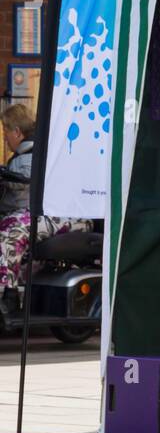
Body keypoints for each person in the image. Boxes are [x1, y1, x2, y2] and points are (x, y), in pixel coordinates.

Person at [0, 104, 92, 296]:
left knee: (9, 229)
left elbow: (22, 183)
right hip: (59, 212)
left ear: (17, 132)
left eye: (5, 130)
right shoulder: (37, 151)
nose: (4, 137)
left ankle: (7, 294)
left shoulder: (32, 156)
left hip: (63, 213)